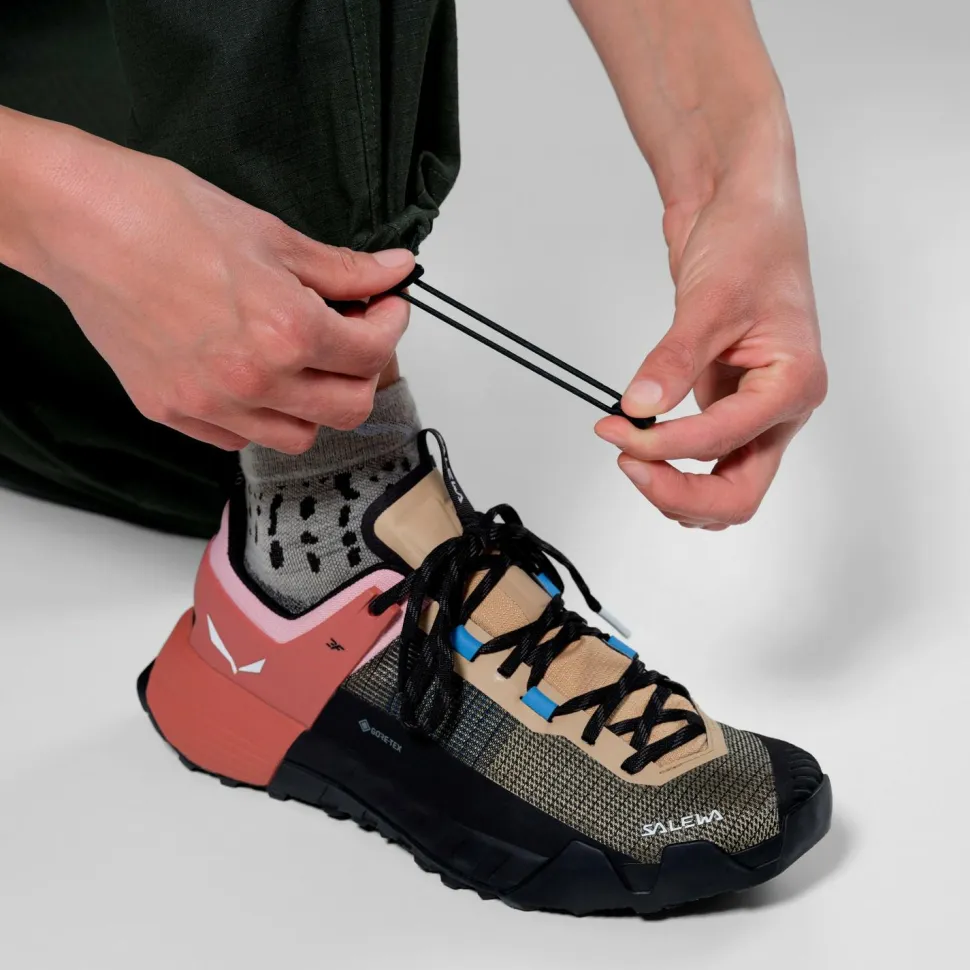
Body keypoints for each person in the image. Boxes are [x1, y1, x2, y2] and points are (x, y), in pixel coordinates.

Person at [0, 0, 830, 914]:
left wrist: (733, 187)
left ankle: (317, 529)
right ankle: (328, 538)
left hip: (189, 318)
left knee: (281, 398)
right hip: (49, 244)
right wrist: (65, 218)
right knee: (284, 409)